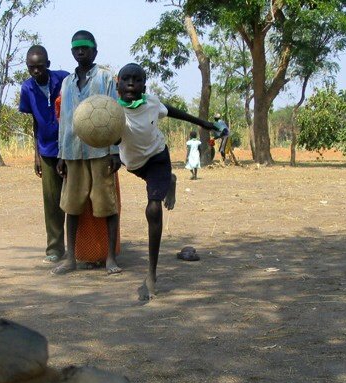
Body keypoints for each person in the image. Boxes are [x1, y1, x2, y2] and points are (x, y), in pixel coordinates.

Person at [116, 63, 216, 300]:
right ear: (117, 83)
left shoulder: (151, 103)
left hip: (158, 157)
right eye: (126, 79)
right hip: (134, 165)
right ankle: (169, 181)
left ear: (144, 85)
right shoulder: (110, 109)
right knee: (157, 187)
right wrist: (110, 155)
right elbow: (103, 133)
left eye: (137, 80)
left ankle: (151, 273)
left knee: (153, 208)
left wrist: (203, 123)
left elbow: (173, 111)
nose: (131, 83)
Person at [53, 30, 122, 275]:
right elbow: (64, 121)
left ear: (95, 50)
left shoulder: (104, 77)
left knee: (106, 205)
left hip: (100, 151)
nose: (80, 51)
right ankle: (71, 258)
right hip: (72, 151)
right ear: (72, 52)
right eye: (76, 48)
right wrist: (61, 154)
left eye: (85, 47)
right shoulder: (67, 82)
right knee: (72, 206)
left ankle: (110, 258)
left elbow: (115, 114)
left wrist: (115, 150)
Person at [19, 45, 70, 264]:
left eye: (40, 67)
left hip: (71, 148)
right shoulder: (27, 88)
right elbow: (34, 122)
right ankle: (55, 248)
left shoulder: (64, 80)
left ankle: (83, 247)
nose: (36, 72)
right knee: (52, 201)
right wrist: (36, 154)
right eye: (32, 68)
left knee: (77, 200)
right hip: (47, 150)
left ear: (48, 65)